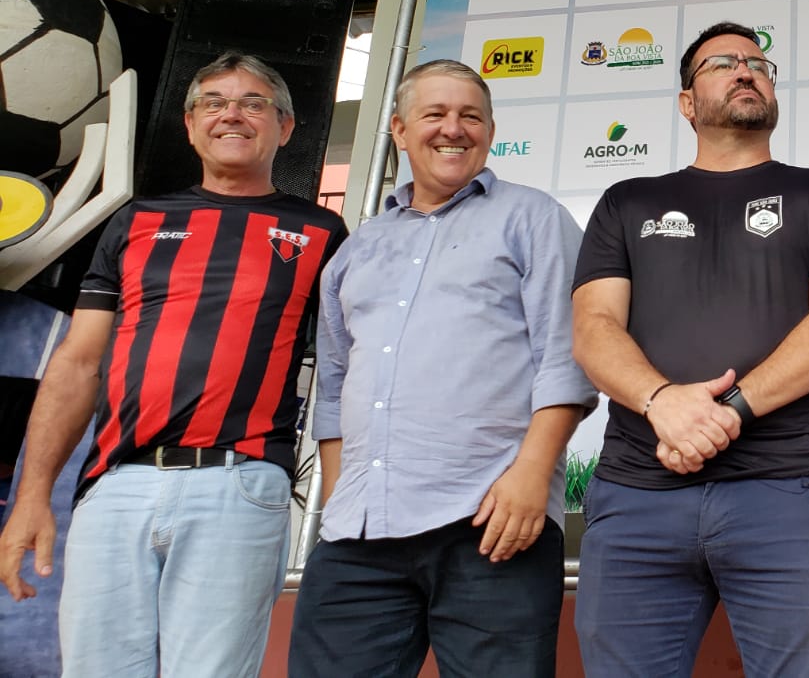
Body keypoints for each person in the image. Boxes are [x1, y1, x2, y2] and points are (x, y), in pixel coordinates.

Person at [0, 52, 347, 678]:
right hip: (117, 485)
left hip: (240, 483)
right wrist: (32, 497)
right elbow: (77, 363)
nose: (231, 114)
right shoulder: (136, 221)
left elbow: (352, 366)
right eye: (213, 102)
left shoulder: (323, 231)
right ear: (190, 125)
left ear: (285, 127)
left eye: (253, 103)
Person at [570, 21, 809, 677]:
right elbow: (593, 327)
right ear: (687, 102)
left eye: (758, 64)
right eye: (723, 64)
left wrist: (723, 413)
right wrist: (661, 402)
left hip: (785, 494)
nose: (745, 71)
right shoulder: (627, 201)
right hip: (637, 494)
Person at [288, 59, 594, 677]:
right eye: (435, 114)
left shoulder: (533, 218)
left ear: (490, 132)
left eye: (470, 116)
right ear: (400, 130)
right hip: (359, 534)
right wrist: (345, 499)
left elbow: (567, 359)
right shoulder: (358, 248)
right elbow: (335, 389)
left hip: (492, 519)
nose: (453, 129)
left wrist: (531, 478)